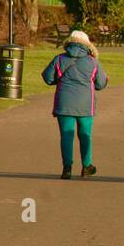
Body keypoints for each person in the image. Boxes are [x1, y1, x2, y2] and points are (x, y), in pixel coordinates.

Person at [42, 30, 108, 180]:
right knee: (85, 135)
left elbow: (47, 78)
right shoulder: (93, 62)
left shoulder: (59, 59)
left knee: (66, 135)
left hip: (64, 103)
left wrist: (59, 81)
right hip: (86, 105)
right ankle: (87, 165)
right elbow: (101, 83)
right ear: (87, 44)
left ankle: (67, 168)